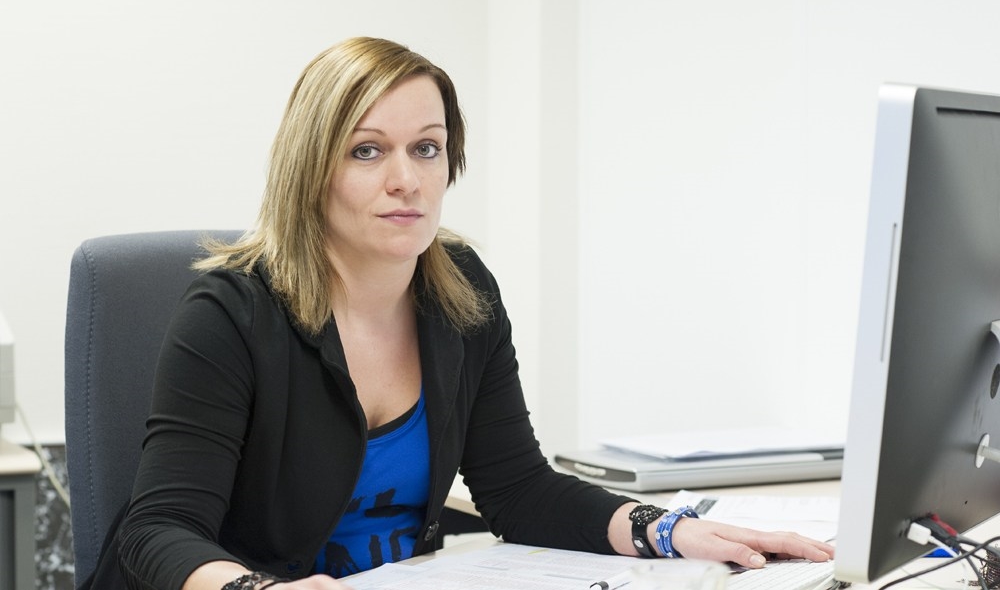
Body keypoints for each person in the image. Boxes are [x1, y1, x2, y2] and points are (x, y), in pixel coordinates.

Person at [104, 37, 833, 590]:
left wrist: (668, 531)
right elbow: (159, 528)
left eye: (427, 148)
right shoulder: (231, 315)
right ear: (311, 168)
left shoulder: (461, 294)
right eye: (367, 151)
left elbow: (519, 491)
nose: (407, 179)